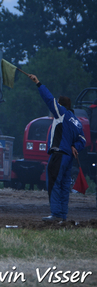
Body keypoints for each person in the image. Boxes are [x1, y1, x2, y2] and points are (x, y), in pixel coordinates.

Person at [28, 74, 86, 222]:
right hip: (69, 158)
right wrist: (75, 146)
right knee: (65, 187)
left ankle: (55, 214)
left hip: (59, 154)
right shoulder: (77, 122)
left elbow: (48, 99)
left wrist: (38, 83)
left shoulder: (61, 113)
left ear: (61, 105)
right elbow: (82, 140)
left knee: (53, 183)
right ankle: (63, 215)